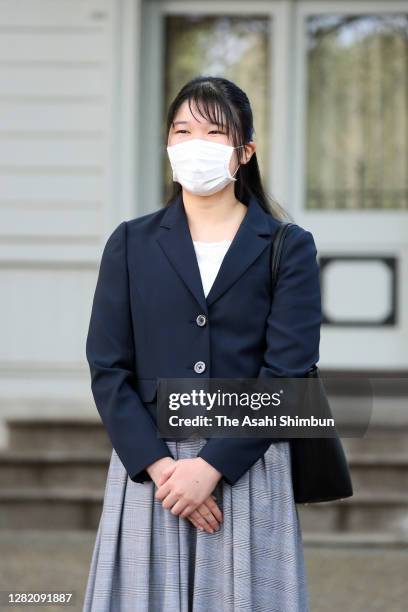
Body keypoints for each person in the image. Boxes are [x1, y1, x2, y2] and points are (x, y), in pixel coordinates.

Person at [82, 75, 321, 611]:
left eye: (215, 133)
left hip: (246, 468)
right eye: (182, 130)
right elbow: (107, 366)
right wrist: (163, 469)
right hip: (151, 471)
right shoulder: (131, 242)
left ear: (245, 152)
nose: (195, 145)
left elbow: (288, 376)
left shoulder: (289, 247)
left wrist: (211, 466)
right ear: (168, 145)